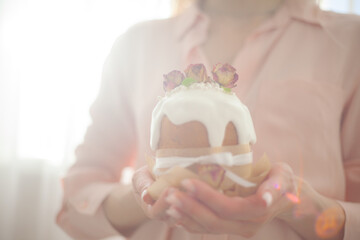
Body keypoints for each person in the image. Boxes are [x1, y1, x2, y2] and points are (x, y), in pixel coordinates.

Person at [56, 0, 360, 239]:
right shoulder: (136, 44)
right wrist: (145, 198)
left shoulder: (350, 43)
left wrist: (296, 206)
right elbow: (76, 202)